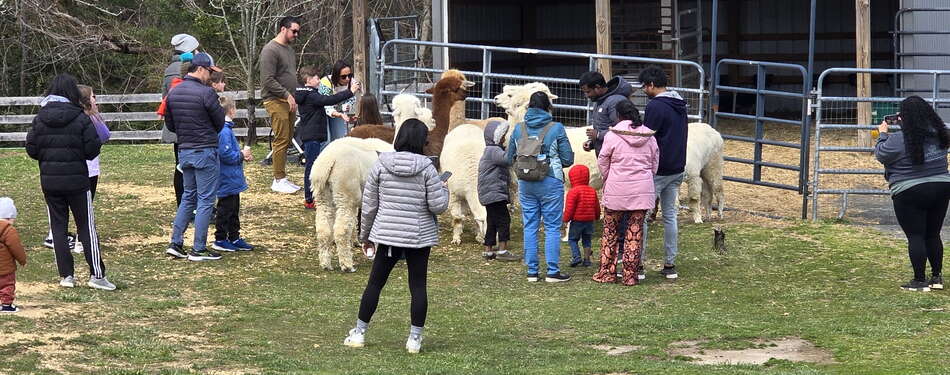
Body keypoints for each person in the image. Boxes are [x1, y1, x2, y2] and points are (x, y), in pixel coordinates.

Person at [343, 119, 448, 353]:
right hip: (418, 236)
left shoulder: (380, 165)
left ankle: (359, 333)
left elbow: (369, 205)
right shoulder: (428, 169)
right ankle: (414, 339)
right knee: (418, 286)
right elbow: (438, 206)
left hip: (388, 235)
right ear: (422, 141)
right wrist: (444, 189)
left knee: (375, 283)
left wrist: (366, 236)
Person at [26, 73, 114, 291]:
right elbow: (92, 149)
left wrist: (49, 159)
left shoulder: (40, 118)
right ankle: (97, 274)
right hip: (77, 181)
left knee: (58, 227)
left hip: (50, 182)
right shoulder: (80, 117)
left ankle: (66, 276)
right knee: (86, 227)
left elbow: (32, 149)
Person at [874, 96, 950, 292]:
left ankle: (919, 280)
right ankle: (936, 277)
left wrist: (883, 134)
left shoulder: (899, 139)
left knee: (916, 235)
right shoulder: (941, 133)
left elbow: (881, 154)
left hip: (909, 189)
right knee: (933, 234)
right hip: (941, 186)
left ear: (902, 118)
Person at [163, 53, 226, 262]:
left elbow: (170, 124)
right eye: (209, 71)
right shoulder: (206, 93)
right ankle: (198, 248)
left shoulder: (174, 91)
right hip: (204, 150)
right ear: (200, 69)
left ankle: (176, 242)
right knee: (206, 199)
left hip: (185, 150)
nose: (210, 75)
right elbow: (219, 122)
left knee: (188, 196)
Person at [506, 91, 575, 283]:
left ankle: (532, 272)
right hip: (550, 180)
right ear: (548, 108)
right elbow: (568, 158)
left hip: (526, 182)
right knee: (552, 227)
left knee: (530, 225)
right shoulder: (556, 128)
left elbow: (507, 157)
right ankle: (552, 271)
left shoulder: (519, 129)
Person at [593, 100, 658, 286]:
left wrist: (609, 177)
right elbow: (654, 164)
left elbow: (603, 160)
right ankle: (630, 275)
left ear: (618, 116)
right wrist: (644, 178)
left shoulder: (612, 136)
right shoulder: (650, 137)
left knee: (610, 231)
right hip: (642, 191)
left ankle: (607, 272)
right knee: (634, 233)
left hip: (616, 191)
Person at [41, 84, 108, 253]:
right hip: (85, 170)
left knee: (63, 209)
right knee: (82, 208)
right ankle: (80, 240)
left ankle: (58, 237)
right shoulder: (85, 119)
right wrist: (95, 115)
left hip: (70, 170)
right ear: (86, 100)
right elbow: (104, 135)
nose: (95, 100)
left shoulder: (76, 117)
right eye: (93, 97)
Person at [638, 65, 688, 280]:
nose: (643, 91)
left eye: (644, 87)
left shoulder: (656, 106)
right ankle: (670, 263)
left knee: (643, 216)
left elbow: (646, 136)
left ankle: (637, 262)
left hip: (658, 168)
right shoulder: (679, 103)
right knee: (670, 215)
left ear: (651, 85)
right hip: (677, 166)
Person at [295, 66, 356, 210]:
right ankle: (309, 198)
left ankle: (314, 195)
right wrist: (350, 92)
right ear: (309, 80)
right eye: (316, 78)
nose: (319, 80)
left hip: (312, 135)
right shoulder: (311, 95)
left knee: (314, 165)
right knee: (311, 166)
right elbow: (330, 99)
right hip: (312, 136)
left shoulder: (307, 94)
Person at [260, 16, 302, 194]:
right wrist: (286, 95)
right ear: (283, 29)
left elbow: (288, 76)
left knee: (288, 138)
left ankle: (282, 177)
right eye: (294, 31)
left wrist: (294, 95)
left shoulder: (289, 50)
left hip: (288, 100)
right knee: (281, 138)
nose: (296, 34)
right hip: (275, 100)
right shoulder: (270, 50)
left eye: (298, 31)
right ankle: (278, 179)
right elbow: (267, 80)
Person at [211, 96, 255, 253]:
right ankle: (220, 238)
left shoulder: (226, 129)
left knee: (234, 209)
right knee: (225, 209)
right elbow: (226, 155)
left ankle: (234, 236)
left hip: (232, 178)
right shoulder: (224, 131)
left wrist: (242, 155)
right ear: (231, 110)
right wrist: (242, 155)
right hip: (226, 178)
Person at [163, 34, 200, 207]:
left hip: (177, 126)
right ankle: (187, 205)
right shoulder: (183, 68)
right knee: (184, 167)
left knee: (181, 165)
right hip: (185, 125)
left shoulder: (171, 67)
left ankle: (186, 205)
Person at [477, 120, 519, 261]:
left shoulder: (489, 150)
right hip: (494, 192)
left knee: (492, 220)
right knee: (503, 220)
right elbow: (507, 160)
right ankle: (502, 250)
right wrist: (513, 145)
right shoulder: (493, 150)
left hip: (488, 192)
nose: (503, 138)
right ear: (496, 137)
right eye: (502, 136)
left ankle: (488, 249)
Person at [579, 71, 635, 155]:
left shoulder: (616, 102)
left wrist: (598, 135)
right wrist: (592, 142)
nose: (586, 95)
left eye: (588, 92)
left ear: (597, 87)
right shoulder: (600, 101)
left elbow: (624, 130)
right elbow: (603, 127)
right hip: (607, 156)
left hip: (617, 156)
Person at [563, 164, 600, 268]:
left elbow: (570, 208)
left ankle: (576, 256)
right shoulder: (592, 190)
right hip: (589, 221)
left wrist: (565, 219)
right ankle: (587, 260)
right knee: (587, 240)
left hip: (577, 221)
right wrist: (597, 216)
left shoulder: (573, 192)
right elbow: (596, 206)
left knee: (573, 239)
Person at [320, 60, 363, 142]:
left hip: (339, 112)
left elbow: (353, 98)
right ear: (336, 76)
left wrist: (348, 106)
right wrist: (339, 114)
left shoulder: (352, 82)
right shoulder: (326, 82)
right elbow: (325, 104)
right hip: (322, 112)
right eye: (343, 77)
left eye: (350, 75)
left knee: (339, 139)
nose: (347, 79)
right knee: (326, 140)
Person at [0, 198, 26, 313]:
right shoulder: (9, 230)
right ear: (10, 217)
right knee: (7, 285)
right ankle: (6, 305)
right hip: (5, 268)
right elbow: (16, 248)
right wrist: (22, 260)